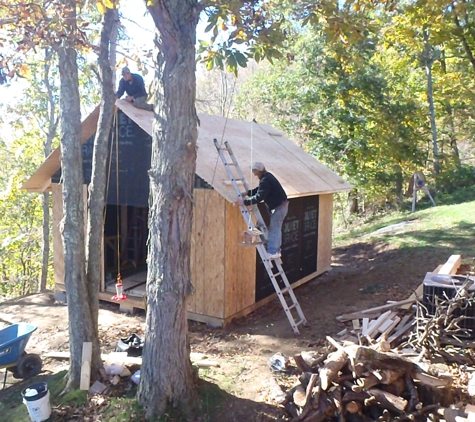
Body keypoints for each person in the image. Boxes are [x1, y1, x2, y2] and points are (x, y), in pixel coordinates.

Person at [237, 162, 289, 259]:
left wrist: (244, 202)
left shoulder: (265, 180)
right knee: (276, 228)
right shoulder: (267, 177)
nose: (253, 172)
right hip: (281, 205)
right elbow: (260, 189)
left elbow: (259, 197)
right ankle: (276, 251)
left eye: (253, 170)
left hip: (279, 207)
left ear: (257, 170)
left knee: (275, 229)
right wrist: (248, 193)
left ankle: (273, 251)